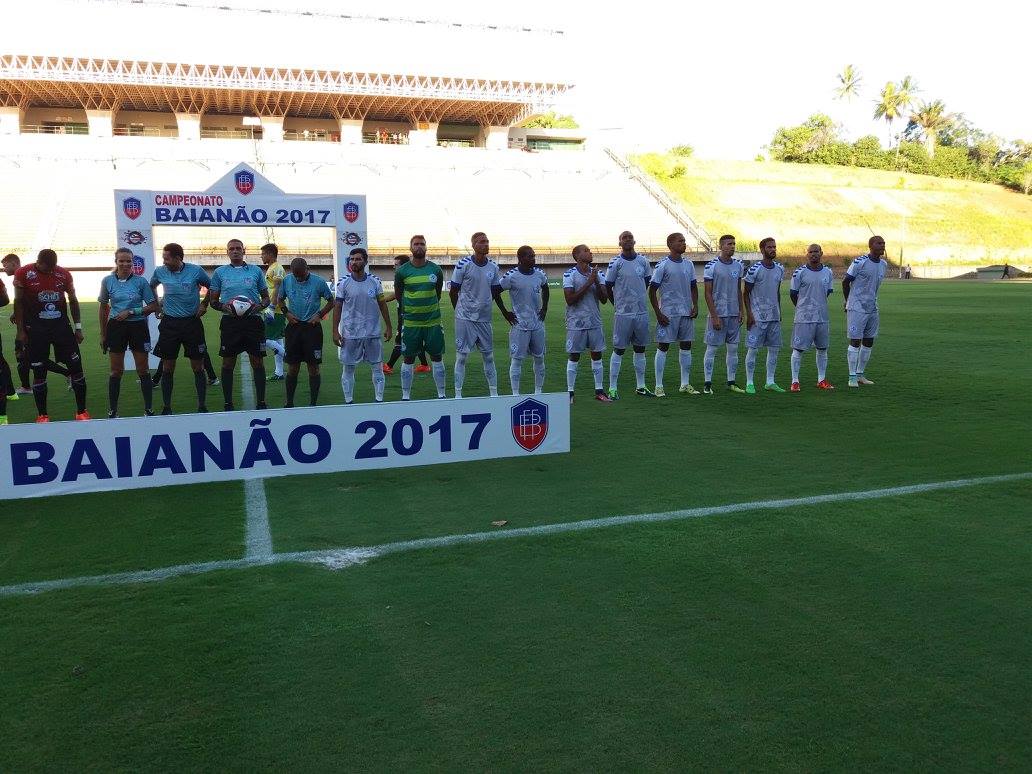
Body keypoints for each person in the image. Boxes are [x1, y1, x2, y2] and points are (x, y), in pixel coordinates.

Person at [13, 248, 90, 421]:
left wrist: (78, 328)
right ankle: (42, 415)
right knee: (39, 371)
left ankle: (82, 412)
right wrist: (20, 331)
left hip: (61, 328)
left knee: (76, 368)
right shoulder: (23, 273)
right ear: (38, 262)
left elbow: (73, 300)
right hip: (36, 329)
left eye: (52, 268)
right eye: (47, 268)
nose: (50, 271)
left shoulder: (64, 274)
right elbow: (18, 301)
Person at [207, 239, 271, 411]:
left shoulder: (256, 271)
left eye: (238, 248)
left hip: (253, 321)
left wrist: (259, 306)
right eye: (231, 249)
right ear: (227, 252)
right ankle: (228, 403)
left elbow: (266, 298)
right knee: (228, 363)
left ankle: (261, 402)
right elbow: (213, 301)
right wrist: (224, 307)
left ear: (244, 250)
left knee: (257, 362)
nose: (235, 251)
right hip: (230, 323)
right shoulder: (220, 272)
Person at [150, 243, 214, 414]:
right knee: (167, 367)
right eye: (163, 258)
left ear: (178, 258)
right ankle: (167, 407)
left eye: (166, 258)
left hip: (192, 323)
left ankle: (202, 406)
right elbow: (152, 286)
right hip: (169, 324)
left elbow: (213, 286)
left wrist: (204, 304)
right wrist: (156, 305)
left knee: (198, 367)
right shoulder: (160, 272)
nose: (164, 262)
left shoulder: (195, 271)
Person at [449, 231, 514, 398]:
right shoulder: (463, 264)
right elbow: (453, 291)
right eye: (482, 242)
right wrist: (459, 311)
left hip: (484, 319)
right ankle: (458, 395)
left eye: (487, 241)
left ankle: (494, 394)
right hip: (464, 318)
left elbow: (496, 292)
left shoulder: (493, 267)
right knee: (461, 357)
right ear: (473, 245)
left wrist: (505, 312)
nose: (486, 244)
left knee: (489, 356)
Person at [99, 248, 159, 417]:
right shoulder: (108, 281)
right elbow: (103, 308)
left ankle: (148, 409)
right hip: (115, 327)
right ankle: (113, 411)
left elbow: (153, 306)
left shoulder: (140, 282)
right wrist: (103, 334)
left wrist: (132, 312)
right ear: (116, 262)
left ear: (133, 262)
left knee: (143, 369)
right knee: (116, 371)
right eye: (122, 261)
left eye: (129, 261)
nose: (125, 264)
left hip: (137, 327)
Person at [332, 248, 393, 404]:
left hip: (372, 332)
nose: (354, 262)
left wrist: (389, 326)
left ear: (365, 261)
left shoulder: (375, 281)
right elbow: (337, 307)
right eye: (352, 259)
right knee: (348, 368)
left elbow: (382, 304)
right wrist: (335, 331)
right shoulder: (343, 282)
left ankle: (379, 400)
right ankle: (349, 401)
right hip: (350, 333)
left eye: (358, 259)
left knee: (377, 368)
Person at [4, 252, 68, 395]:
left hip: (31, 326)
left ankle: (68, 373)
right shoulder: (24, 276)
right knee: (24, 358)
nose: (4, 268)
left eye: (5, 265)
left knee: (31, 358)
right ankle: (26, 386)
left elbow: (30, 300)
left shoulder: (25, 276)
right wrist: (16, 313)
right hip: (28, 324)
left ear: (14, 263)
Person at [395, 235, 447, 400]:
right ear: (411, 248)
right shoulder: (402, 271)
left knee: (436, 356)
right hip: (411, 323)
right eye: (416, 244)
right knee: (408, 358)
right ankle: (405, 396)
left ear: (426, 247)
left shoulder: (435, 270)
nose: (419, 246)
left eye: (422, 244)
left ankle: (441, 395)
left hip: (433, 322)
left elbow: (437, 293)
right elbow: (399, 295)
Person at [648, 232, 699, 397]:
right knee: (663, 347)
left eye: (684, 241)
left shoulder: (689, 264)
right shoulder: (663, 265)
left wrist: (695, 305)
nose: (684, 243)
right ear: (670, 245)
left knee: (686, 346)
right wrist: (658, 313)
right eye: (680, 241)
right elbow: (652, 290)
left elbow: (693, 286)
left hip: (686, 312)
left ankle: (685, 383)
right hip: (668, 314)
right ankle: (658, 386)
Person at [605, 230, 654, 399]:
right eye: (624, 238)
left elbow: (646, 282)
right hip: (623, 314)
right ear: (619, 243)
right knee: (619, 349)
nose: (627, 240)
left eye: (630, 237)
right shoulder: (615, 263)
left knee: (640, 349)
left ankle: (641, 386)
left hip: (641, 312)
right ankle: (612, 388)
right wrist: (617, 304)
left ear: (634, 241)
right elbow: (608, 285)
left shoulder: (643, 261)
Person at [280, 257, 335, 407]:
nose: (299, 278)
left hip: (312, 329)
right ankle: (289, 403)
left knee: (313, 367)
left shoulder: (319, 282)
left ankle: (313, 404)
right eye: (296, 275)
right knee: (293, 367)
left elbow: (331, 301)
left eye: (301, 275)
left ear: (307, 269)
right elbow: (280, 299)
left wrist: (320, 314)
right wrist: (286, 313)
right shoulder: (287, 280)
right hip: (294, 328)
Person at [563, 244, 612, 403]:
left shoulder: (598, 273)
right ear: (577, 256)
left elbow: (604, 299)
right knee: (574, 356)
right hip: (576, 323)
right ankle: (570, 393)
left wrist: (595, 280)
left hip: (594, 321)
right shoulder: (569, 274)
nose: (590, 252)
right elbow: (570, 300)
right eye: (586, 251)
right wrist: (589, 282)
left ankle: (599, 391)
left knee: (597, 355)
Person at [500, 245, 549, 395]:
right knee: (517, 360)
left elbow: (546, 288)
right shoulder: (511, 276)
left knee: (539, 358)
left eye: (534, 255)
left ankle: (538, 392)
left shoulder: (540, 274)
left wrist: (544, 308)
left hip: (537, 324)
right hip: (520, 325)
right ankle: (515, 394)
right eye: (530, 256)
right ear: (520, 258)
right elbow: (495, 291)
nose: (533, 258)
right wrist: (505, 312)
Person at [702, 235, 746, 394]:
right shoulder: (711, 266)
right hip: (718, 314)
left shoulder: (738, 266)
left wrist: (741, 310)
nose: (732, 246)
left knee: (733, 349)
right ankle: (707, 384)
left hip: (733, 314)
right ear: (721, 246)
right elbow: (707, 293)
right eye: (729, 244)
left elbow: (738, 290)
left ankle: (731, 382)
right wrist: (714, 316)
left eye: (734, 244)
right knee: (712, 349)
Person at [789, 244, 835, 391]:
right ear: (807, 254)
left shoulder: (828, 272)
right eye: (811, 252)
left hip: (822, 317)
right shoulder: (799, 272)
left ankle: (821, 380)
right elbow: (793, 294)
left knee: (822, 349)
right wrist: (802, 308)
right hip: (804, 318)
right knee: (798, 349)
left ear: (821, 253)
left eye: (816, 251)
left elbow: (827, 292)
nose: (813, 254)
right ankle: (795, 381)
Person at [843, 235, 888, 388]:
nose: (882, 246)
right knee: (855, 341)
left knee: (869, 340)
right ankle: (852, 377)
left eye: (883, 243)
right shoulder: (860, 262)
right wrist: (848, 301)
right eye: (879, 243)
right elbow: (846, 281)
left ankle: (860, 374)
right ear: (871, 246)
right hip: (857, 307)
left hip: (872, 306)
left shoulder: (883, 264)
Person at [743, 237, 786, 394]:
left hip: (774, 316)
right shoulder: (754, 269)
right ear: (762, 250)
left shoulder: (779, 269)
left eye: (774, 247)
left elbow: (777, 291)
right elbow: (745, 293)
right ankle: (749, 383)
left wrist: (779, 311)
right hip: (758, 317)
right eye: (769, 247)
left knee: (774, 349)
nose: (773, 249)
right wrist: (749, 314)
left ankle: (770, 382)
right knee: (753, 349)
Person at [383, 255, 429, 374]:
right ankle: (424, 365)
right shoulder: (407, 276)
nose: (394, 267)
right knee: (415, 340)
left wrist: (382, 300)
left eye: (396, 264)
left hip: (407, 314)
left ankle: (389, 365)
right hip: (408, 313)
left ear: (403, 266)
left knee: (400, 339)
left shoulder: (406, 277)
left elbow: (396, 294)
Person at [261, 243, 287, 381]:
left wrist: (271, 307)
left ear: (270, 254)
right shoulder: (272, 268)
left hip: (275, 309)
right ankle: (279, 372)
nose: (261, 256)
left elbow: (278, 288)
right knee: (278, 340)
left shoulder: (277, 268)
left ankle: (290, 356)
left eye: (263, 254)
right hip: (274, 309)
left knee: (265, 339)